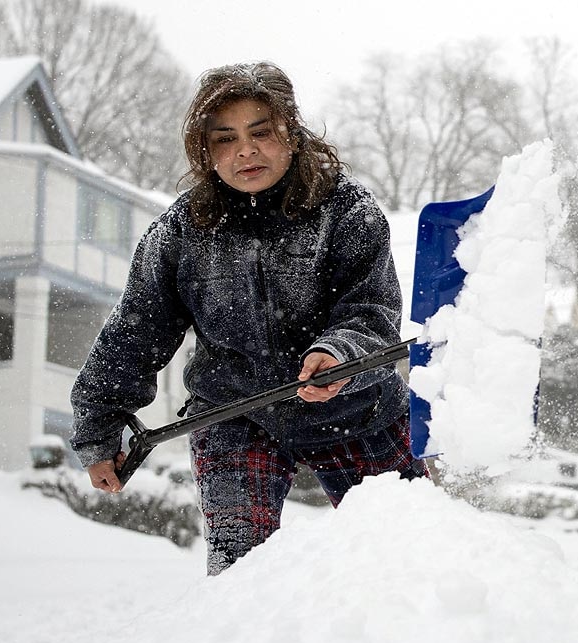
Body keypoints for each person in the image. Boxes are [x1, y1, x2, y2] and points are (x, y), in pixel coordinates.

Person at [70, 62, 426, 575]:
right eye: (226, 138)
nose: (246, 150)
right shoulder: (180, 233)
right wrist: (99, 429)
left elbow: (370, 311)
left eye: (262, 132)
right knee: (241, 575)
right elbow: (134, 334)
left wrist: (338, 356)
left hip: (358, 410)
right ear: (205, 150)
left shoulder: (346, 211)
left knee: (407, 557)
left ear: (292, 134)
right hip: (234, 415)